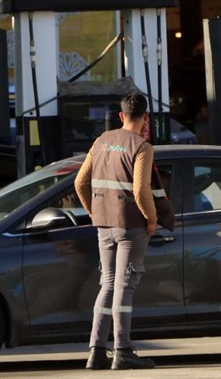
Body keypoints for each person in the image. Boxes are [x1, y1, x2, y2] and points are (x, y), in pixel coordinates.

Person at [75, 92, 158, 371]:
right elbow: (140, 190)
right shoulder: (142, 147)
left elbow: (79, 182)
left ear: (121, 116)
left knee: (107, 284)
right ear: (145, 118)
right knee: (125, 286)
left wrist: (92, 211)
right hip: (130, 226)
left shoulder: (100, 142)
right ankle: (123, 351)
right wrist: (152, 219)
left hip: (104, 225)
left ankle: (96, 351)